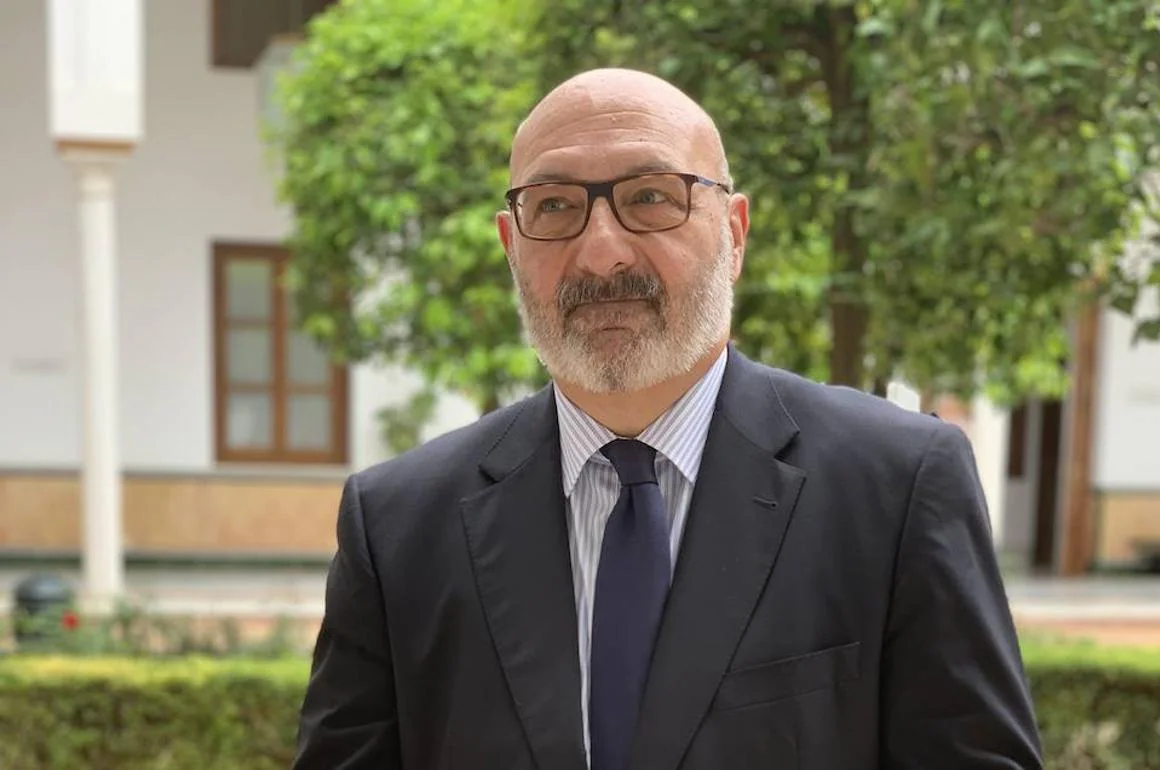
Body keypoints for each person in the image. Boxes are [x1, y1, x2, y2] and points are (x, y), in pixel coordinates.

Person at [292, 67, 1044, 770]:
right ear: (510, 244)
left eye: (651, 197)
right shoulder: (397, 525)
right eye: (554, 207)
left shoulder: (898, 487)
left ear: (736, 232)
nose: (600, 253)